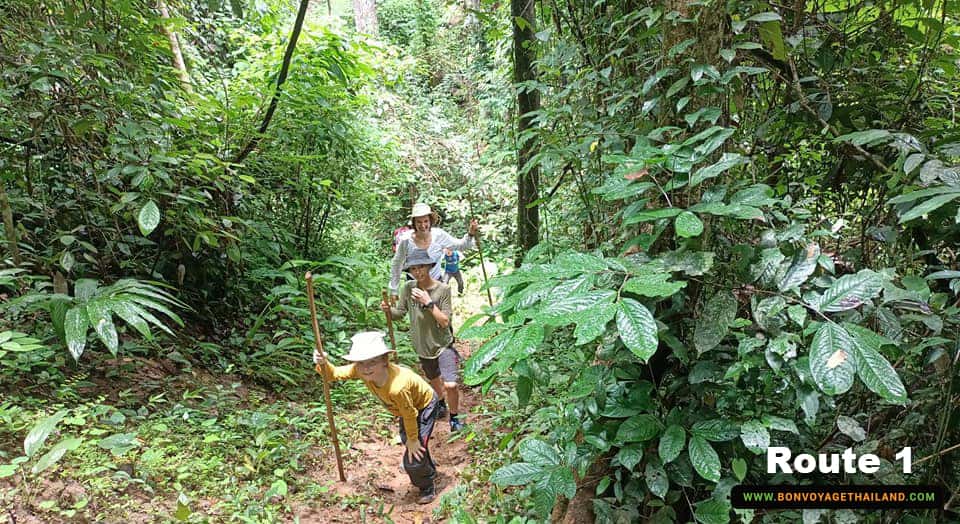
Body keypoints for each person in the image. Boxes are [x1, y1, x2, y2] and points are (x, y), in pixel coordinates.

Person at [314, 331, 441, 504]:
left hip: (424, 405)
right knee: (409, 440)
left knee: (414, 454)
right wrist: (323, 363)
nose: (366, 368)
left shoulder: (398, 386)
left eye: (372, 361)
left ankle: (426, 485)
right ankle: (426, 466)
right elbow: (332, 374)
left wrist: (413, 440)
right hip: (405, 409)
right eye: (361, 363)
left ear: (384, 361)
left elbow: (409, 414)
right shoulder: (359, 370)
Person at [382, 248, 465, 432]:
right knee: (434, 378)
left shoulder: (442, 289)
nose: (418, 272)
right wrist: (389, 310)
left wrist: (428, 303)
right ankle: (441, 403)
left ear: (429, 266)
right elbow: (399, 313)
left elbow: (444, 321)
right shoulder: (408, 288)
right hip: (422, 346)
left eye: (421, 267)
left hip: (443, 344)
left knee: (450, 384)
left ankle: (455, 418)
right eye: (413, 269)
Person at [388, 203, 478, 302]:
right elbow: (397, 265)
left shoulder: (439, 235)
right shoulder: (406, 240)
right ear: (414, 223)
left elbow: (461, 246)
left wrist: (471, 233)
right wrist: (394, 290)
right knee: (418, 316)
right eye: (419, 222)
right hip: (415, 287)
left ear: (430, 221)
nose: (423, 225)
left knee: (439, 314)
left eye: (426, 221)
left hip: (436, 284)